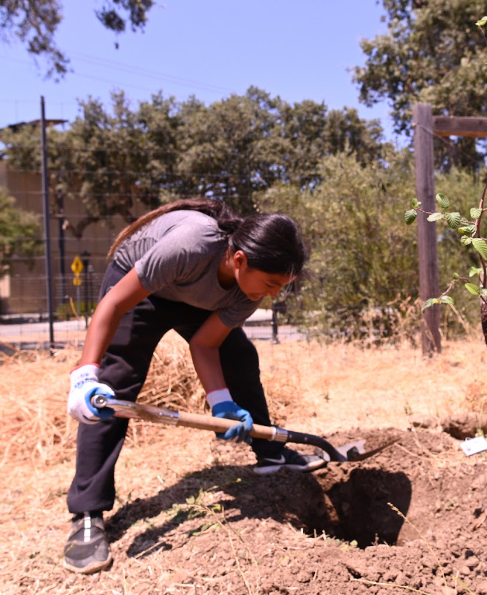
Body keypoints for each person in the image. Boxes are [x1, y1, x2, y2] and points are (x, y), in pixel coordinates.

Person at [62, 199, 326, 574]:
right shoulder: (189, 245)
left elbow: (204, 343)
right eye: (270, 284)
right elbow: (114, 304)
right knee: (114, 388)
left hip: (195, 293)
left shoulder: (246, 289)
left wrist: (220, 402)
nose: (272, 295)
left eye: (281, 287)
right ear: (239, 261)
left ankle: (270, 453)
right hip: (142, 287)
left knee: (240, 358)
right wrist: (86, 373)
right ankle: (87, 514)